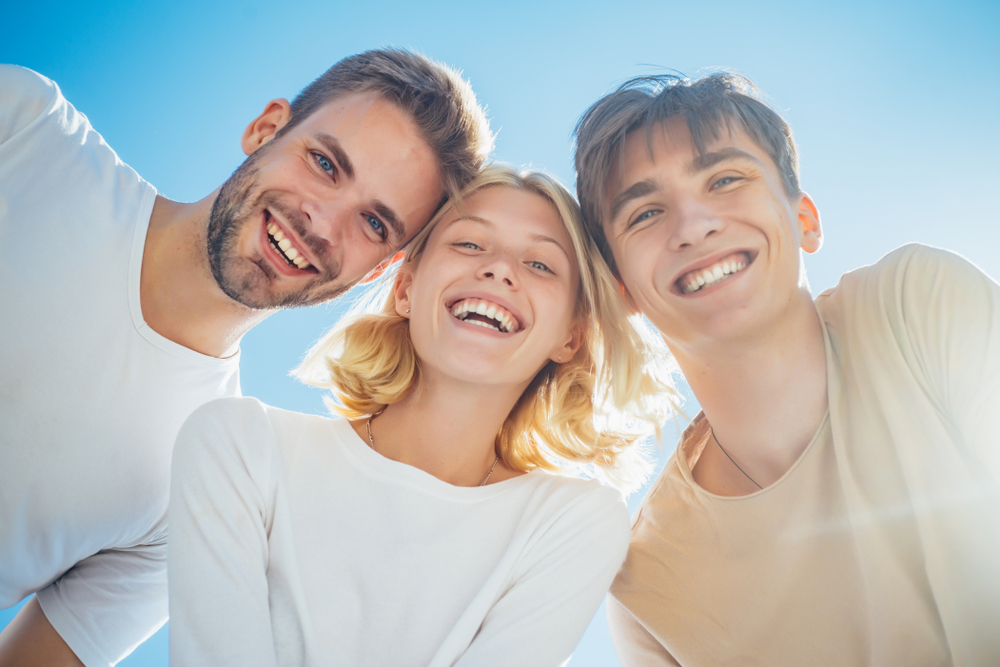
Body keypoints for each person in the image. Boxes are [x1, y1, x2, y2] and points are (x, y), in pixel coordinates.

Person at [0, 48, 492, 667]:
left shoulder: (203, 485)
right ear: (266, 129)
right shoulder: (23, 132)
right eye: (324, 163)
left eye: (373, 223)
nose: (322, 221)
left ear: (385, 267)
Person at [167, 164, 675, 666]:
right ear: (405, 290)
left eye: (541, 265)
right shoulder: (241, 445)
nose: (499, 269)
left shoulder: (573, 521)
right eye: (470, 244)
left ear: (572, 337)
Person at [572, 72, 1000, 665]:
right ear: (623, 291)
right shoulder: (648, 586)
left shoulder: (917, 305)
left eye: (724, 179)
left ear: (805, 220)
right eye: (645, 214)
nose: (693, 226)